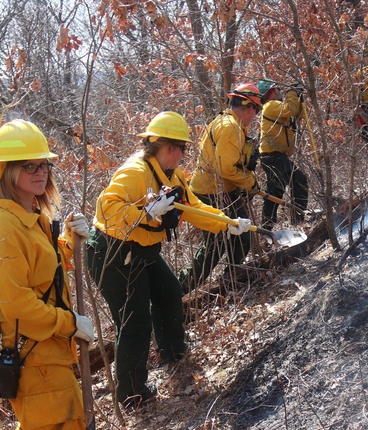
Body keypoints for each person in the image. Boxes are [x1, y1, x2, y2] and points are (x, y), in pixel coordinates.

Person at [0, 119, 114, 430]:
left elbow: (43, 277)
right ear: (5, 173)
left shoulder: (31, 218)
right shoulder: (1, 230)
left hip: (48, 348)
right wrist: (70, 323)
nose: (40, 171)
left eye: (44, 165)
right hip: (31, 351)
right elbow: (17, 307)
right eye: (28, 165)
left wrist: (66, 246)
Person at [89, 111, 250, 409]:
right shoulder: (135, 172)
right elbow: (106, 209)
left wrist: (226, 222)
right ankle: (132, 394)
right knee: (134, 322)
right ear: (169, 148)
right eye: (182, 149)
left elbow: (193, 208)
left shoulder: (173, 176)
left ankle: (173, 352)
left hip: (144, 250)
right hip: (113, 253)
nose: (183, 155)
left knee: (169, 292)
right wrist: (146, 214)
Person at [178, 82, 263, 293]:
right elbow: (225, 169)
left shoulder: (228, 123)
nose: (254, 117)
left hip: (220, 190)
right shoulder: (229, 127)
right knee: (215, 246)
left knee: (241, 237)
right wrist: (251, 182)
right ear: (250, 108)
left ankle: (230, 279)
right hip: (211, 193)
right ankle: (180, 289)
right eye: (256, 112)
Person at [257, 78, 309, 229]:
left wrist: (298, 99)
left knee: (299, 180)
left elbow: (295, 116)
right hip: (272, 156)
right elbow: (290, 109)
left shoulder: (278, 108)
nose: (281, 92)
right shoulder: (271, 105)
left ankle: (298, 220)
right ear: (272, 91)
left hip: (280, 156)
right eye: (278, 89)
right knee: (275, 192)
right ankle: (266, 228)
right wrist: (292, 92)